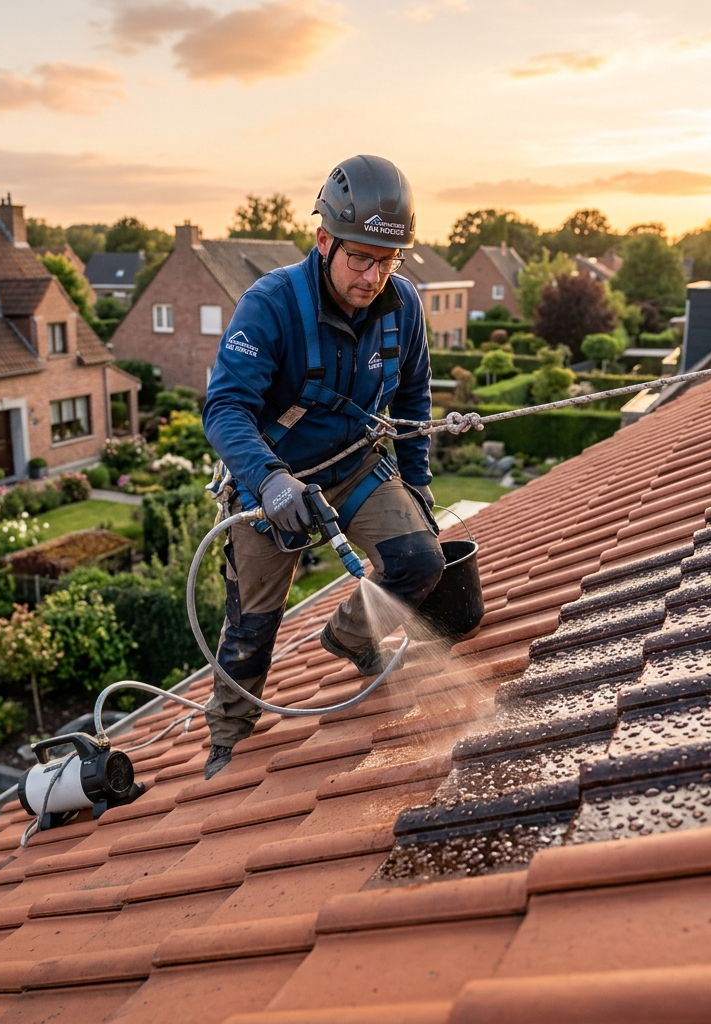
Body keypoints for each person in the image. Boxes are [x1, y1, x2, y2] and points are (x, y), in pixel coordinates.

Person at [201, 154, 445, 779]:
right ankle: (228, 735)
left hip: (355, 467)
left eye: (386, 261)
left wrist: (416, 486)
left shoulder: (403, 308)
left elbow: (414, 400)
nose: (372, 276)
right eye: (359, 257)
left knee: (420, 560)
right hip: (271, 482)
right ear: (323, 239)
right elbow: (225, 408)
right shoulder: (272, 305)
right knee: (253, 626)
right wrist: (270, 479)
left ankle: (354, 634)